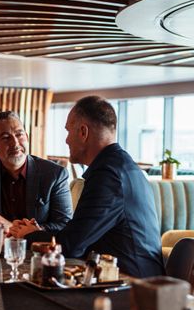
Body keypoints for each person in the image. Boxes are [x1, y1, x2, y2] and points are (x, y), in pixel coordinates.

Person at [9, 96, 164, 278]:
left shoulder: (108, 175)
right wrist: (40, 232)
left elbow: (72, 246)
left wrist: (27, 236)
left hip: (131, 285)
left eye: (68, 131)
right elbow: (81, 233)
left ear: (83, 132)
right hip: (119, 276)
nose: (66, 140)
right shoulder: (120, 165)